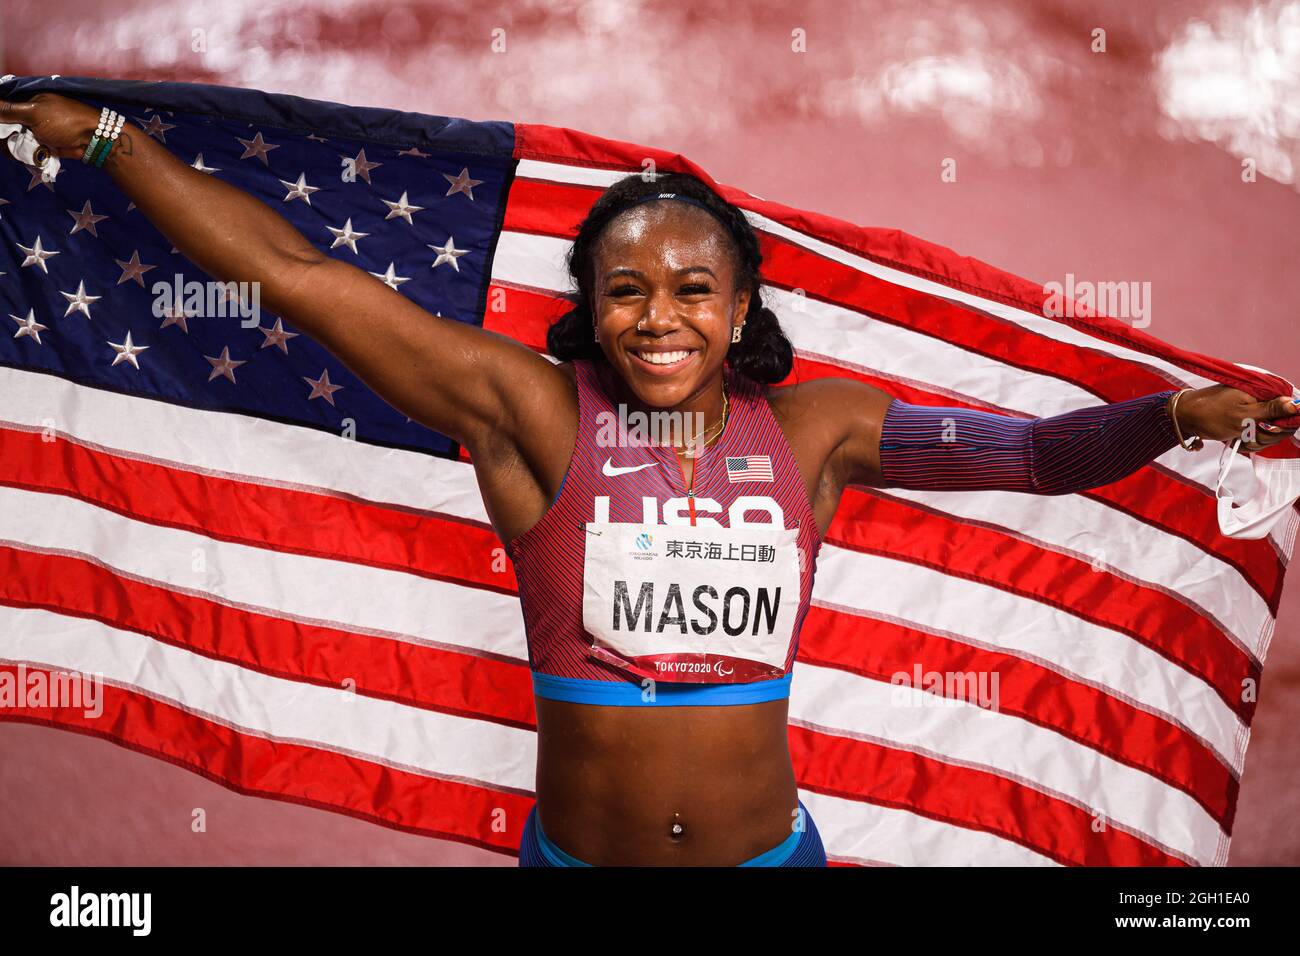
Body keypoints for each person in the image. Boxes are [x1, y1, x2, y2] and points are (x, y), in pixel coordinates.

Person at [3, 92, 1296, 867]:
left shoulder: (820, 432)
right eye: (628, 290)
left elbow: (1033, 456)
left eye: (692, 290)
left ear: (738, 310)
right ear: (593, 310)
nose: (659, 316)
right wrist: (110, 138)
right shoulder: (530, 413)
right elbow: (305, 278)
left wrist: (1175, 411)